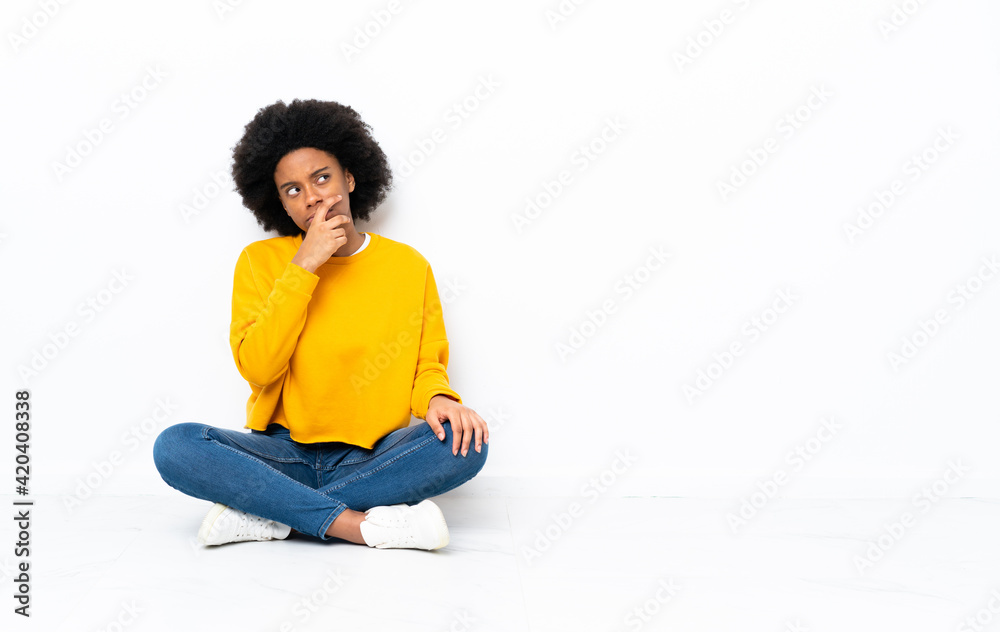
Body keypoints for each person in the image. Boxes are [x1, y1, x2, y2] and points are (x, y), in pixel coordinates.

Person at [152, 98, 489, 550]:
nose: (310, 196)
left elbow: (426, 365)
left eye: (322, 178)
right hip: (281, 454)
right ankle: (357, 525)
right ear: (280, 203)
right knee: (176, 445)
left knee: (467, 443)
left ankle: (273, 514)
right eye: (292, 190)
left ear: (349, 178)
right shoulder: (260, 262)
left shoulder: (408, 266)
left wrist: (440, 399)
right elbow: (258, 369)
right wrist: (304, 265)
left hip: (371, 456)